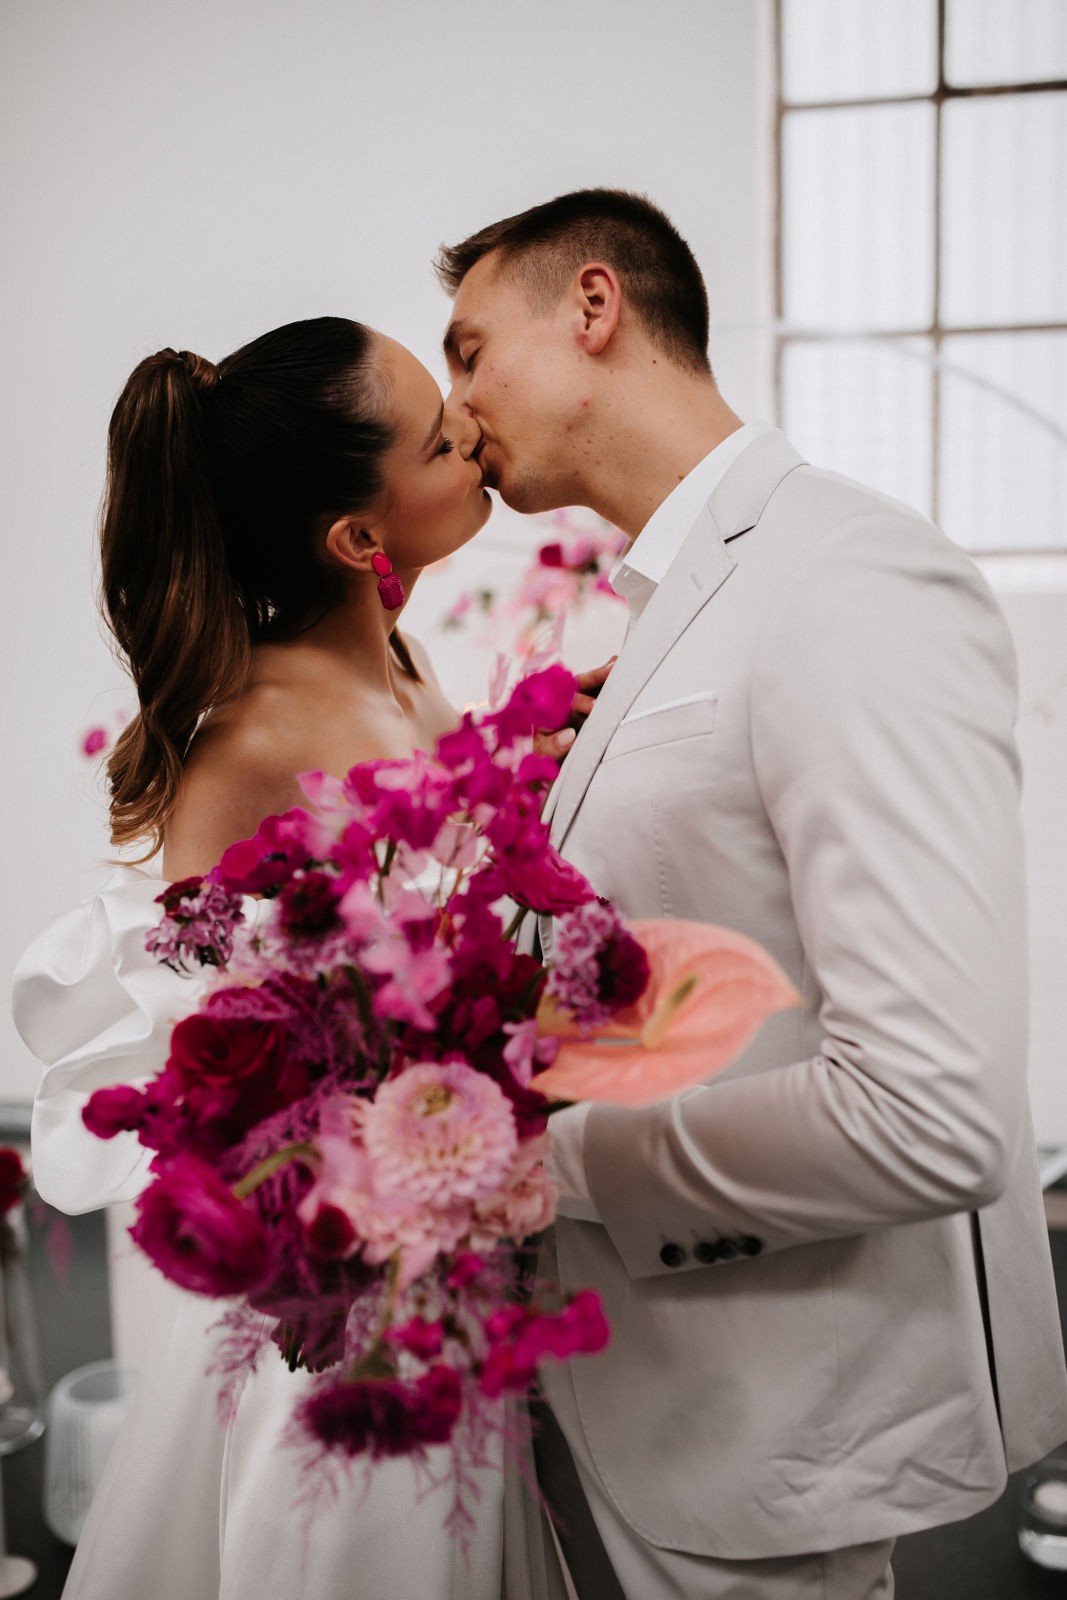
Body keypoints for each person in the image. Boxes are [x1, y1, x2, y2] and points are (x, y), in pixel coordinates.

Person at [436, 189, 1067, 1600]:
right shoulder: (664, 611)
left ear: (591, 307)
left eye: (470, 348)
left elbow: (928, 1107)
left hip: (775, 1418)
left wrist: (546, 1173)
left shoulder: (844, 572)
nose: (456, 402)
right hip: (632, 1394)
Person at [12, 316, 587, 1600]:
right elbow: (209, 1040)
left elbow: (412, 853)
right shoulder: (251, 736)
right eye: (444, 438)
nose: (475, 433)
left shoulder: (398, 650)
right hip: (334, 1281)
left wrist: (525, 751)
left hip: (441, 1231)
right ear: (357, 536)